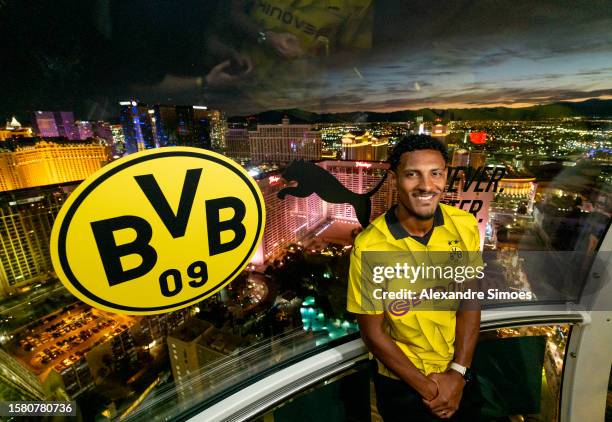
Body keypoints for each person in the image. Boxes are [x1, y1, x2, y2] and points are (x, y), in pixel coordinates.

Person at [346, 134, 483, 421]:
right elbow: (373, 334)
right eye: (412, 175)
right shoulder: (370, 245)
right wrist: (433, 391)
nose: (426, 185)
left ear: (446, 176)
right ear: (395, 178)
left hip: (459, 373)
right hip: (403, 386)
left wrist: (457, 374)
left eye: (436, 174)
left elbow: (470, 302)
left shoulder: (465, 225)